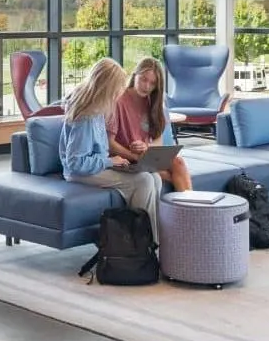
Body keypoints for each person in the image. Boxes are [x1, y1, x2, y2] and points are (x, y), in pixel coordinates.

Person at [58, 58, 162, 241]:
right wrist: (109, 161)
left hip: (98, 166)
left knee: (154, 176)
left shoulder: (99, 109)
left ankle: (153, 241)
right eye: (117, 89)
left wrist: (115, 161)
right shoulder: (86, 116)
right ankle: (144, 245)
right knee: (143, 181)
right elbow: (76, 163)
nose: (119, 94)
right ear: (106, 88)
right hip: (81, 172)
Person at [111, 56, 192, 193]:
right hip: (124, 160)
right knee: (168, 176)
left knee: (178, 162)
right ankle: (189, 209)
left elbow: (158, 140)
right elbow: (109, 143)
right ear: (135, 74)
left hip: (144, 158)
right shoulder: (118, 100)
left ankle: (191, 209)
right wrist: (133, 155)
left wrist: (146, 146)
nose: (147, 86)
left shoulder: (153, 103)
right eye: (143, 79)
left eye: (152, 83)